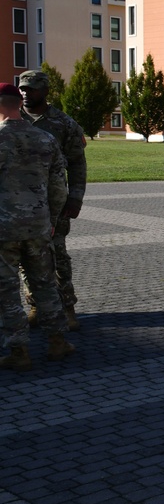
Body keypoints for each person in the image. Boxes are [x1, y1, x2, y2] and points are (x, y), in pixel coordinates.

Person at [0, 83, 75, 371]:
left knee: (6, 291)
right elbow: (59, 188)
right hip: (39, 226)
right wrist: (53, 220)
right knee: (45, 285)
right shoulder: (44, 139)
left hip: (4, 229)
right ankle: (58, 342)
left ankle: (19, 350)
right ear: (19, 103)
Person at [19, 69, 87, 332]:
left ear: (46, 90)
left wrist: (76, 198)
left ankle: (67, 308)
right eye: (23, 88)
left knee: (57, 256)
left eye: (32, 88)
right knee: (26, 256)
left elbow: (77, 164)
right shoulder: (12, 119)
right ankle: (35, 305)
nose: (26, 93)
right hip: (18, 204)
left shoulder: (63, 123)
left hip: (53, 204)